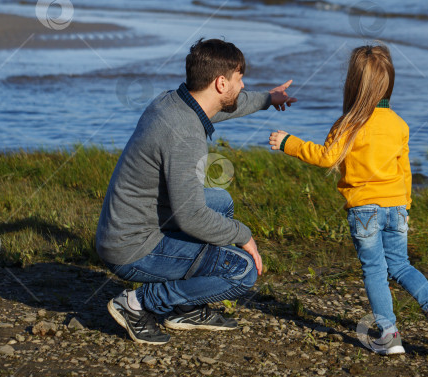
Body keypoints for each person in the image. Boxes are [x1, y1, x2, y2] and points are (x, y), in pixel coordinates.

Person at [96, 38, 297, 345]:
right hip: (132, 246)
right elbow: (190, 216)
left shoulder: (173, 101)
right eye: (239, 79)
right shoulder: (186, 135)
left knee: (221, 202)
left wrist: (269, 98)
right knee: (242, 271)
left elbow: (226, 107)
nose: (242, 86)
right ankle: (138, 304)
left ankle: (186, 308)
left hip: (136, 223)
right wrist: (244, 235)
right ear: (220, 83)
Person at [268, 44, 428, 357]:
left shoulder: (349, 124)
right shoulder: (399, 125)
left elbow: (326, 157)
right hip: (397, 206)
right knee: (401, 265)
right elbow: (405, 171)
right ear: (389, 83)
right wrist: (406, 205)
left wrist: (289, 142)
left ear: (353, 84)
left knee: (374, 270)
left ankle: (389, 334)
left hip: (364, 210)